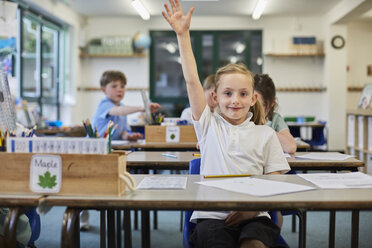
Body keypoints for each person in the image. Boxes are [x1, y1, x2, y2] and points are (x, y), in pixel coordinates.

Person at [162, 1, 290, 247]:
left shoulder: (266, 134)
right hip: (211, 216)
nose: (235, 100)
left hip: (255, 215)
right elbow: (191, 81)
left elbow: (276, 185)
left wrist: (250, 212)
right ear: (215, 98)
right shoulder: (208, 125)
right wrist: (183, 35)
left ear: (253, 99)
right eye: (228, 93)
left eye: (243, 94)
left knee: (254, 244)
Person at [91, 70, 161, 141]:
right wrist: (142, 108)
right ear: (103, 90)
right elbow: (118, 111)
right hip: (96, 147)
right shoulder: (104, 104)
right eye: (114, 86)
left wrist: (129, 136)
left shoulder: (122, 107)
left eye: (122, 86)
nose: (119, 90)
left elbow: (122, 132)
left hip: (113, 148)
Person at [254, 74, 297, 154]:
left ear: (272, 103)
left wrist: (263, 128)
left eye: (263, 105)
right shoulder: (244, 116)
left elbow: (290, 147)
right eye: (254, 103)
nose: (257, 109)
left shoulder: (275, 118)